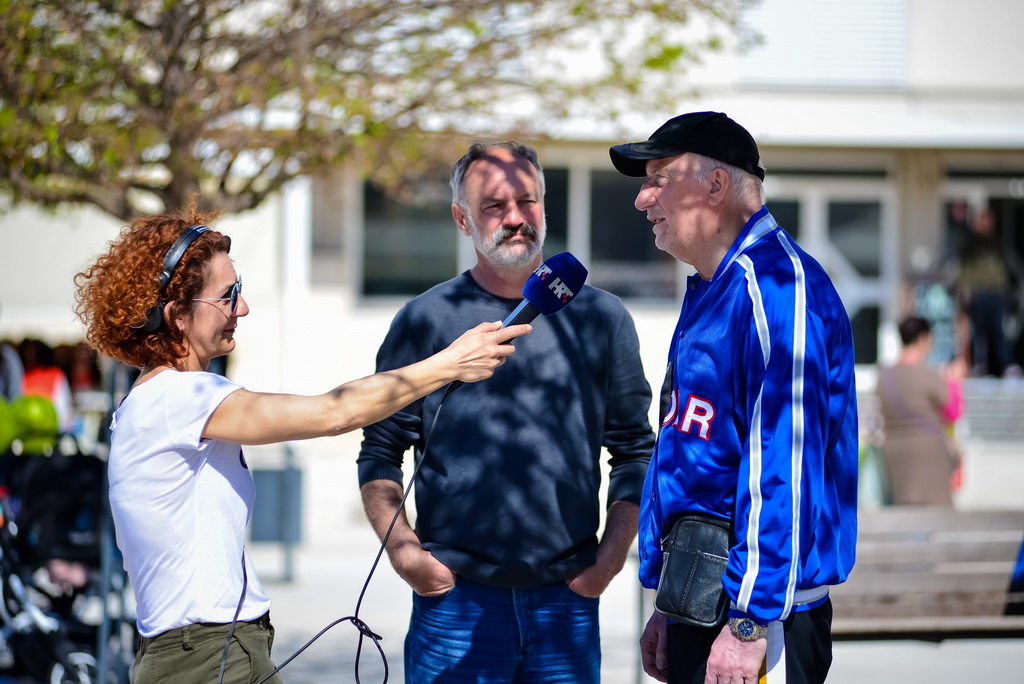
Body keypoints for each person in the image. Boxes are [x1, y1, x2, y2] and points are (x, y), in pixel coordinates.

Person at [73, 200, 531, 684]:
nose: (242, 308)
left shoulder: (152, 400)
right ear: (177, 316)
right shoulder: (178, 397)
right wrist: (449, 363)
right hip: (206, 655)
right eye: (227, 295)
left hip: (197, 651)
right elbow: (333, 413)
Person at [357, 141, 656, 683]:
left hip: (566, 603)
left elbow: (636, 450)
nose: (516, 218)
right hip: (455, 602)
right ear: (461, 219)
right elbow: (380, 451)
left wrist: (607, 562)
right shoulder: (424, 320)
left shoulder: (602, 319)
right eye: (494, 206)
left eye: (528, 200)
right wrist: (407, 557)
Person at [609, 111, 859, 684]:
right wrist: (670, 606)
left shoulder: (775, 288)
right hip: (702, 600)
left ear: (715, 186)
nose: (643, 199)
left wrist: (749, 623)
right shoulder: (712, 286)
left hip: (756, 617)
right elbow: (696, 457)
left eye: (659, 178)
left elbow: (784, 469)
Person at [877, 316, 965, 506]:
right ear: (923, 338)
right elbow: (953, 412)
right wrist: (954, 380)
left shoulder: (884, 376)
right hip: (930, 455)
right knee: (936, 518)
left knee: (905, 513)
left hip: (894, 454)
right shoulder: (929, 376)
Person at [956, 208, 1013, 377]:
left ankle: (1003, 367)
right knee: (977, 333)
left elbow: (1004, 269)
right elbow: (964, 270)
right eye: (983, 220)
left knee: (997, 333)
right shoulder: (969, 244)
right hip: (978, 294)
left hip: (996, 293)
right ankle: (977, 366)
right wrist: (965, 290)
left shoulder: (997, 243)